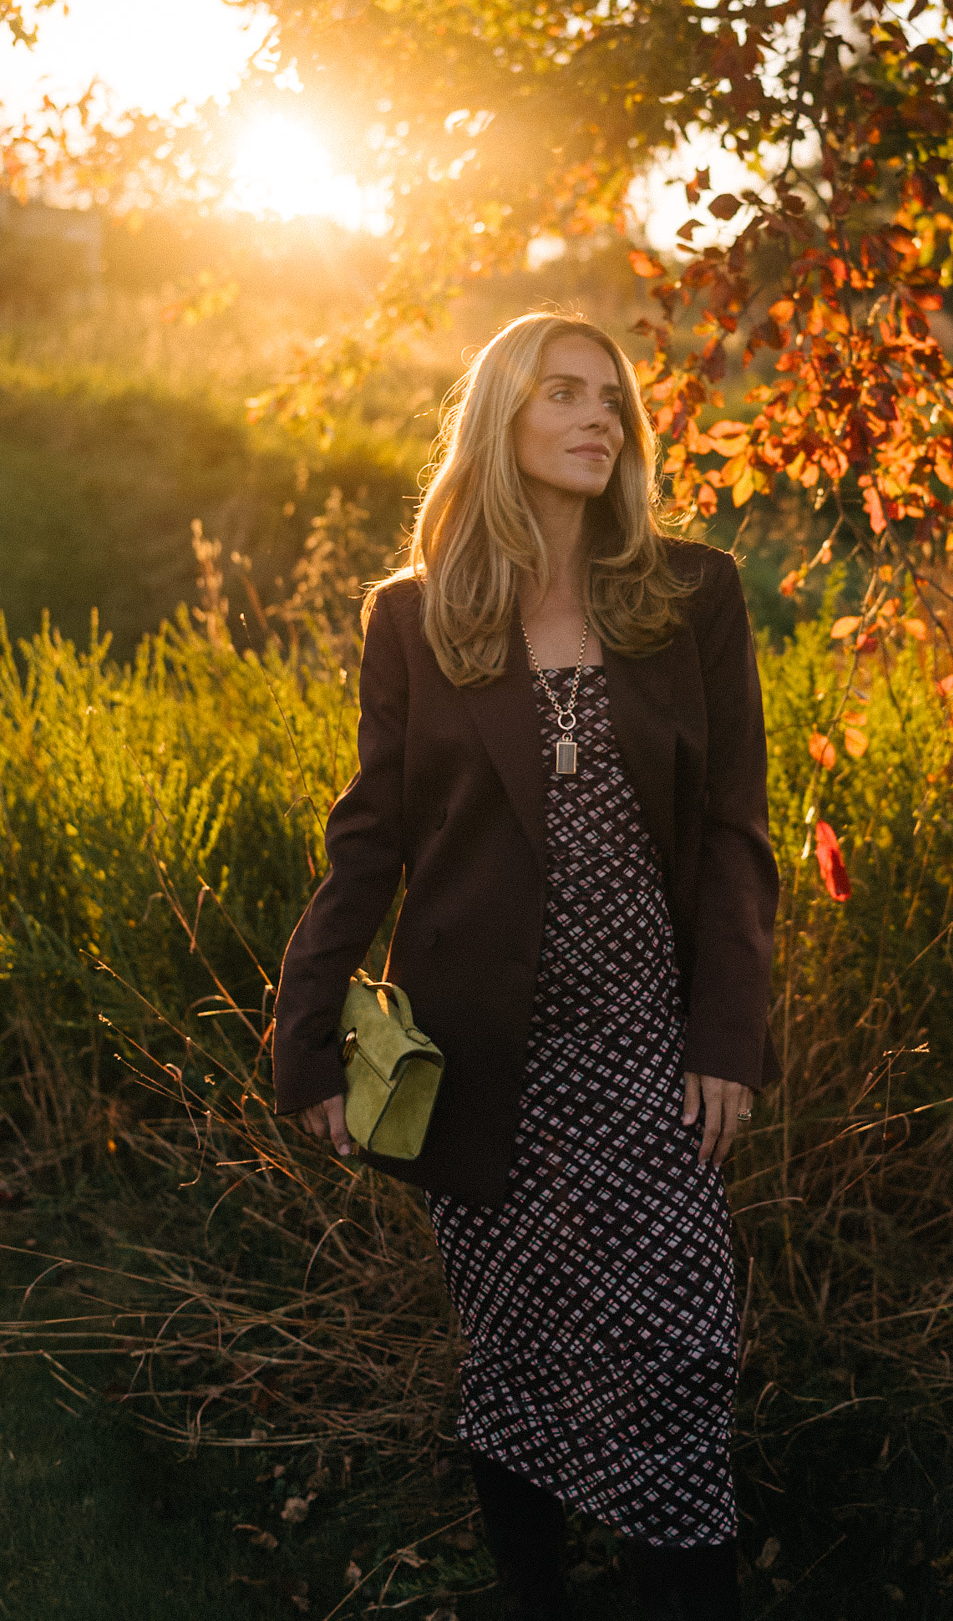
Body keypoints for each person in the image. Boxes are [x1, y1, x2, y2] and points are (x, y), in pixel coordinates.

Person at [272, 310, 780, 1620]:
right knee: (517, 1359)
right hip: (480, 1063)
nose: (598, 417)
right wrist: (306, 1035)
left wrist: (728, 1038)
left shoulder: (692, 595)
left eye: (611, 399)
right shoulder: (417, 615)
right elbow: (371, 839)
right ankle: (534, 1596)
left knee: (678, 1347)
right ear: (502, 421)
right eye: (562, 394)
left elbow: (733, 835)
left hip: (647, 1058)